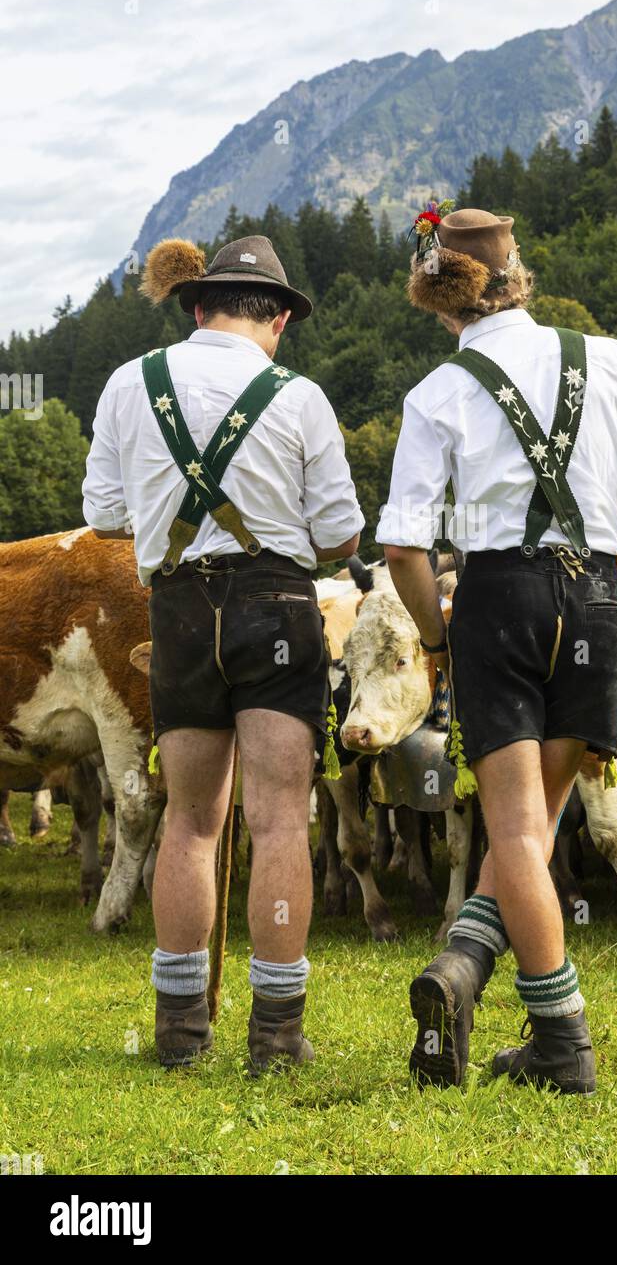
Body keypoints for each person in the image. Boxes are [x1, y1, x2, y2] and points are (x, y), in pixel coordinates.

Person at [377, 206, 617, 1093]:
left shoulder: (438, 393)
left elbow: (405, 550)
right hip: (598, 600)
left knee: (519, 832)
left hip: (499, 601)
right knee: (537, 822)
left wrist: (435, 638)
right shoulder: (600, 357)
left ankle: (563, 1042)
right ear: (518, 278)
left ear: (441, 299)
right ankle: (461, 973)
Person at [82, 234, 364, 1071]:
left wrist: (180, 515)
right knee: (279, 819)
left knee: (191, 822)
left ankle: (178, 1033)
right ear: (277, 318)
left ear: (197, 306)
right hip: (275, 605)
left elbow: (102, 512)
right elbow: (343, 533)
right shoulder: (301, 396)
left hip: (174, 610)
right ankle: (275, 1036)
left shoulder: (131, 383)